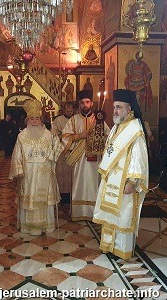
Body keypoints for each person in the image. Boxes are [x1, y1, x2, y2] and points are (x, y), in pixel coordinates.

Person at [92, 89, 149, 260]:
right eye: (114, 107)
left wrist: (132, 181)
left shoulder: (135, 130)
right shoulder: (116, 126)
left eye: (119, 107)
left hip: (124, 182)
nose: (115, 111)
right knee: (110, 213)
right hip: (111, 179)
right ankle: (108, 246)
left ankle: (121, 249)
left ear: (129, 109)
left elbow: (138, 157)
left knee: (123, 214)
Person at [9, 99, 63, 235]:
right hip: (29, 175)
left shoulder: (49, 134)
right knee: (30, 197)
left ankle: (46, 225)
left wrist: (56, 139)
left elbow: (57, 150)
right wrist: (19, 170)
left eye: (37, 118)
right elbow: (17, 155)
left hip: (45, 172)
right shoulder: (21, 136)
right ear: (27, 120)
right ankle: (29, 227)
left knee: (45, 199)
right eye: (31, 119)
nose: (34, 121)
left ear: (41, 119)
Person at [62, 90, 110, 220]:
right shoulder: (73, 120)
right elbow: (65, 138)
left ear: (91, 103)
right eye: (82, 103)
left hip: (96, 160)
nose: (85, 105)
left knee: (94, 184)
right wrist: (79, 136)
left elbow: (109, 137)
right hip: (79, 160)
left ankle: (94, 213)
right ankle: (79, 212)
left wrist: (98, 139)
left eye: (87, 102)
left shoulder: (99, 119)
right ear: (79, 104)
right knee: (79, 183)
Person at [51, 101, 75, 204]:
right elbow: (53, 135)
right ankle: (62, 196)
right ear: (64, 110)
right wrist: (63, 136)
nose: (69, 112)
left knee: (72, 175)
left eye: (70, 110)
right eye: (67, 110)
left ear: (73, 110)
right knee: (62, 175)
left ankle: (72, 195)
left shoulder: (76, 119)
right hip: (61, 151)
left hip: (74, 151)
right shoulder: (58, 120)